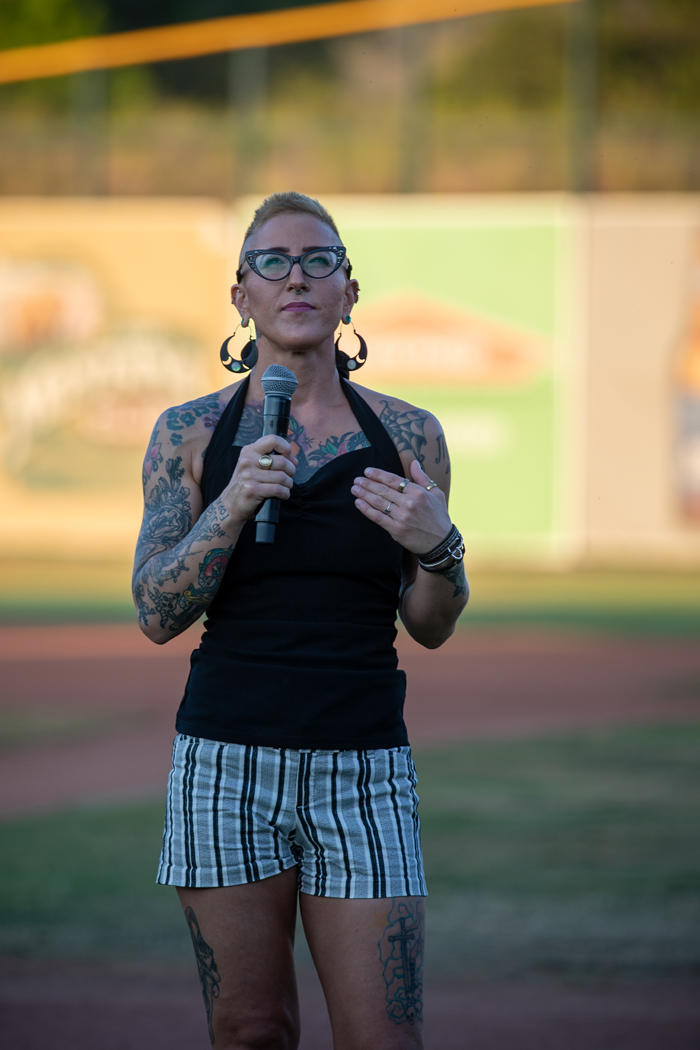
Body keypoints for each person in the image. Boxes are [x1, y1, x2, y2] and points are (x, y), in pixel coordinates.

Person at [132, 191, 468, 1050]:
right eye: (272, 262)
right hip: (225, 762)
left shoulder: (408, 435)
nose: (297, 277)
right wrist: (232, 505)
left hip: (365, 767)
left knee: (384, 1038)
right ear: (239, 293)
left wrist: (441, 550)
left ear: (348, 292)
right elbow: (156, 610)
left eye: (319, 260)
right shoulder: (191, 433)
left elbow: (430, 626)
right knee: (251, 1030)